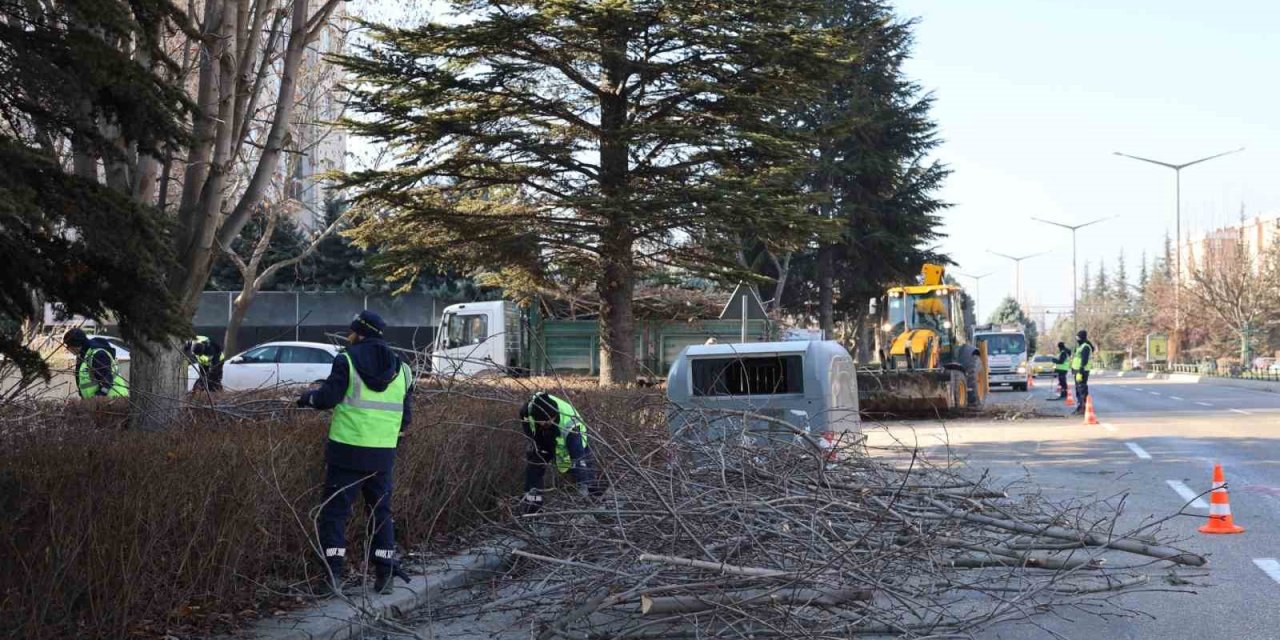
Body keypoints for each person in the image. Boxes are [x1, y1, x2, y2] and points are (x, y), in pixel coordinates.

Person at [297, 310, 412, 595]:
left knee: (335, 513)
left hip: (347, 452)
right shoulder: (403, 369)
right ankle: (384, 575)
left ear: (359, 333)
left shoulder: (346, 360)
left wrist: (306, 398)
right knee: (381, 513)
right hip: (383, 455)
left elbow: (327, 399)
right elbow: (405, 419)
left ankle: (333, 575)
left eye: (352, 331)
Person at [519, 391, 602, 514]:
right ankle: (533, 506)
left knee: (581, 467)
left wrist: (583, 488)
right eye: (547, 421)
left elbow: (578, 459)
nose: (550, 422)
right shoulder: (527, 411)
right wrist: (534, 443)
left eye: (551, 419)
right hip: (543, 437)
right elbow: (527, 428)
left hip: (571, 435)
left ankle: (594, 498)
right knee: (534, 468)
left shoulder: (571, 426)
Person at [63, 329, 128, 398]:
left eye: (68, 346)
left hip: (113, 399)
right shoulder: (83, 355)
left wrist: (99, 396)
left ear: (76, 345)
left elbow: (107, 380)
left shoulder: (98, 354)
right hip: (100, 402)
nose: (68, 349)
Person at [1070, 330, 1095, 414]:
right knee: (1078, 389)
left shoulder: (1085, 347)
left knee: (1081, 389)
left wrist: (1080, 368)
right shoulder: (1080, 346)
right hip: (1078, 370)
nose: (1077, 339)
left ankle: (1083, 407)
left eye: (1078, 337)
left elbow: (1084, 359)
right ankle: (1081, 406)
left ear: (1082, 337)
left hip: (1082, 371)